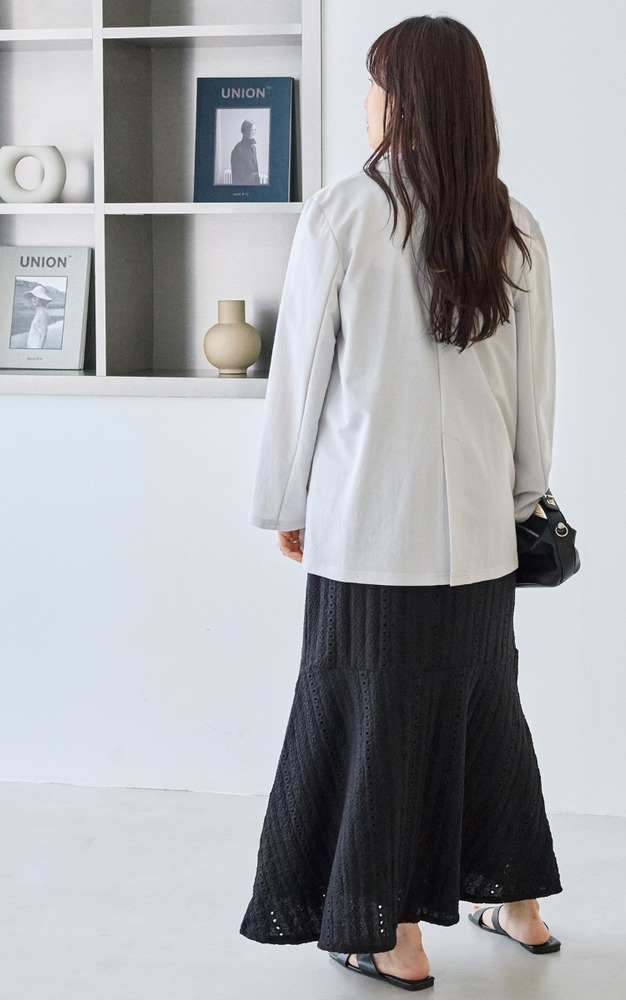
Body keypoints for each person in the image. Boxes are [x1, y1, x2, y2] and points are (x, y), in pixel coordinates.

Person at [240, 15, 561, 992]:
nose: (369, 100)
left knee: (376, 720)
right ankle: (518, 905)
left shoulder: (345, 213)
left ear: (405, 98)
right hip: (480, 535)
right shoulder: (510, 224)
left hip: (368, 529)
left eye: (377, 82)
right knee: (483, 710)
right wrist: (524, 500)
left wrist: (284, 499)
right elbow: (533, 392)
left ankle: (392, 936)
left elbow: (299, 376)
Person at [230, 120, 260, 184]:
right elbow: (237, 177)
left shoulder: (253, 148)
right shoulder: (238, 150)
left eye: (254, 130)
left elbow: (256, 169)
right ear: (245, 131)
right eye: (251, 130)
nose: (253, 132)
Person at [22, 285, 52, 349]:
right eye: (33, 296)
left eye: (37, 297)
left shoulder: (42, 313)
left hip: (36, 347)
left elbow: (44, 335)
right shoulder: (39, 311)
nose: (34, 299)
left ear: (42, 299)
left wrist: (38, 351)